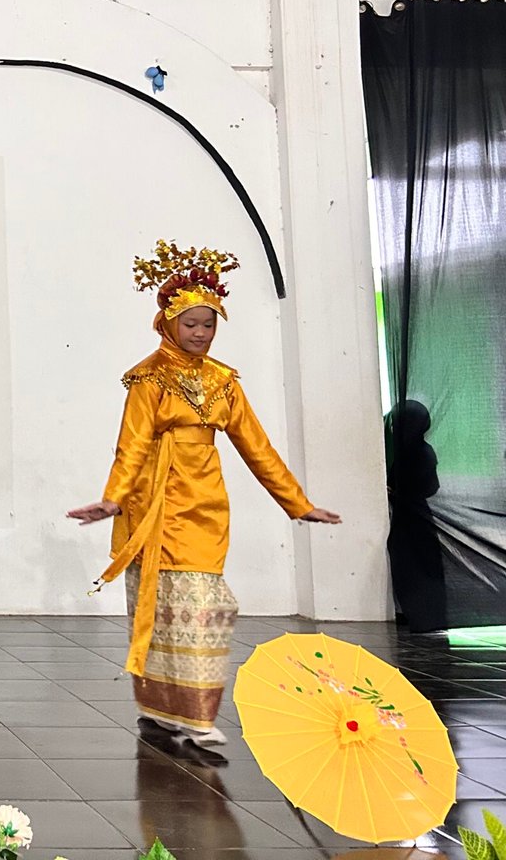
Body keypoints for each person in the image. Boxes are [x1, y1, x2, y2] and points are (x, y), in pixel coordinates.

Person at [66, 241, 340, 755]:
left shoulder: (223, 381)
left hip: (205, 504)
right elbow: (132, 445)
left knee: (207, 607)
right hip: (154, 504)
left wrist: (297, 504)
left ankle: (192, 712)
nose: (200, 333)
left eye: (208, 324)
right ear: (167, 323)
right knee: (164, 607)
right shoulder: (148, 378)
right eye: (190, 323)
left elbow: (257, 446)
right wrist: (113, 499)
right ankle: (171, 712)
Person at [387, 398, 447, 632]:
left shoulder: (416, 453)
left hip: (414, 520)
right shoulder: (416, 451)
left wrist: (398, 492)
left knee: (413, 566)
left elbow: (430, 486)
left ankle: (420, 615)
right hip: (414, 517)